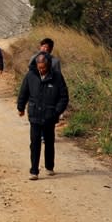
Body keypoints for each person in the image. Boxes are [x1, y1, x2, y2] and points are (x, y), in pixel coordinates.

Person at [17, 52, 69, 180]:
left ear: (49, 66)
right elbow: (23, 92)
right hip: (34, 114)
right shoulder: (31, 75)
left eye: (44, 67)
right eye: (39, 67)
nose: (41, 70)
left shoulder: (57, 77)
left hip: (49, 116)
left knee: (49, 142)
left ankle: (49, 166)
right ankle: (34, 170)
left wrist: (57, 111)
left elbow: (64, 96)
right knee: (35, 143)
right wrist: (21, 107)